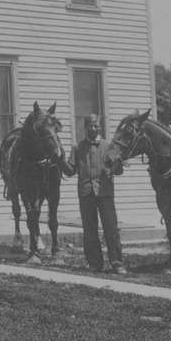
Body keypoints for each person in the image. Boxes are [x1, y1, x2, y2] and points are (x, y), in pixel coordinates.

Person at [66, 114, 126, 274]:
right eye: (90, 126)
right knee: (89, 230)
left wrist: (117, 162)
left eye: (96, 125)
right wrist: (59, 160)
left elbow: (119, 171)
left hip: (105, 193)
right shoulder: (78, 148)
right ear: (85, 128)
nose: (93, 128)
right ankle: (94, 263)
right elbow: (70, 170)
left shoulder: (109, 146)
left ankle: (117, 263)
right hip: (86, 193)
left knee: (111, 228)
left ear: (100, 127)